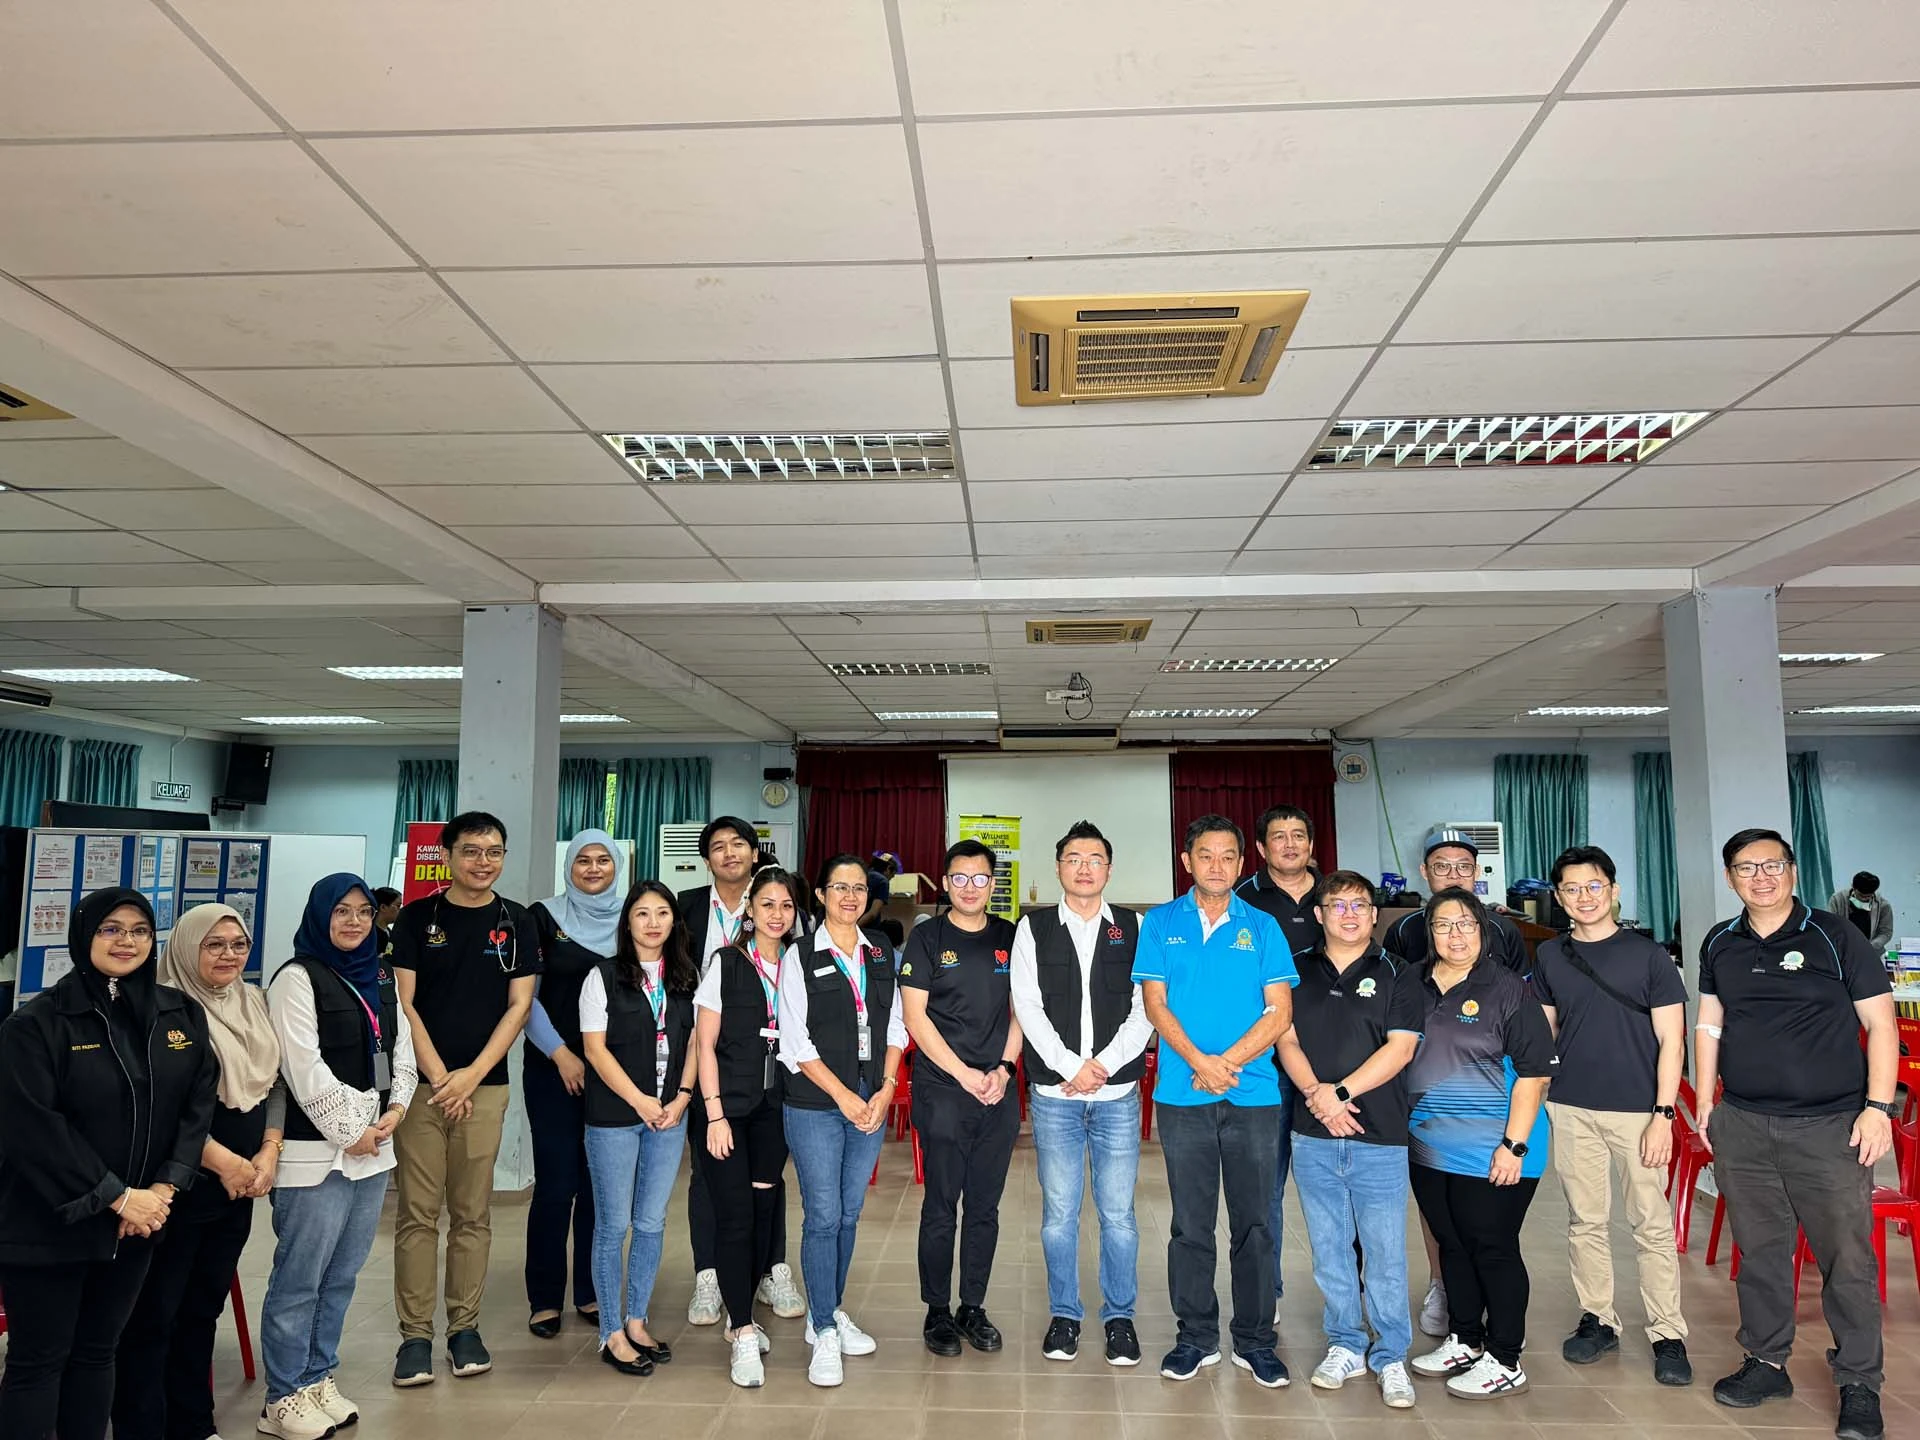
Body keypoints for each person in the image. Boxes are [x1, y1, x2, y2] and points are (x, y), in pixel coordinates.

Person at [1697, 828, 1895, 1440]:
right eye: (1746, 867)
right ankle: (1765, 1361)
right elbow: (1710, 1024)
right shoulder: (1720, 941)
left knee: (1846, 1259)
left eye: (1772, 865)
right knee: (1759, 1253)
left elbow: (1881, 1024)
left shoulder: (1836, 936)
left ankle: (1859, 1381)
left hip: (1830, 1127)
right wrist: (1704, 1101)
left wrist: (1877, 1108)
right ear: (1730, 877)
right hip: (1744, 1123)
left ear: (1793, 870)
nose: (1761, 877)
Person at [0, 888, 218, 1440]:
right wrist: (117, 1197)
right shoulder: (36, 1024)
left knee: (99, 1351)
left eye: (139, 930)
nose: (127, 941)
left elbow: (196, 1107)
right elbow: (35, 1130)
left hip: (138, 1223)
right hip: (49, 1225)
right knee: (39, 1361)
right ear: (84, 936)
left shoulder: (178, 1013)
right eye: (111, 929)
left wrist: (163, 1191)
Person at [1133, 814, 1297, 1388]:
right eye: (1206, 855)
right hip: (1183, 1096)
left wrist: (1225, 1063)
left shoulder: (1263, 927)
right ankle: (1196, 1337)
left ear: (1241, 863)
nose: (1218, 866)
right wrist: (1200, 1063)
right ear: (1187, 861)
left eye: (1228, 856)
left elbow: (1280, 1011)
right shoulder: (1160, 923)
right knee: (1190, 1224)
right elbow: (1156, 1005)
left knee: (1256, 1223)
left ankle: (1255, 1341)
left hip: (1253, 1097)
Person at [114, 904, 287, 1440]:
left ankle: (192, 1421)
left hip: (237, 1187)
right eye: (214, 945)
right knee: (156, 1314)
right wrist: (226, 1162)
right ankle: (146, 1424)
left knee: (202, 1309)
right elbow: (163, 1109)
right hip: (177, 1185)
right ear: (187, 949)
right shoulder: (162, 1010)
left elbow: (275, 1083)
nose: (229, 955)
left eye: (238, 944)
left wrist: (269, 1150)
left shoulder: (253, 1001)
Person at [260, 874, 416, 1440]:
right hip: (314, 1154)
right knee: (300, 1278)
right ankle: (282, 1396)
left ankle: (317, 1376)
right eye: (341, 911)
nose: (354, 921)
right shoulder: (296, 979)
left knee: (342, 1276)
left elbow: (400, 1047)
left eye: (364, 911)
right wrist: (353, 1130)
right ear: (319, 915)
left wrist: (395, 1110)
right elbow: (303, 1069)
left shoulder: (379, 974)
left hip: (372, 1151)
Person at [388, 811, 541, 1385]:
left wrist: (472, 1075)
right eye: (472, 851)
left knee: (472, 1213)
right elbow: (405, 1003)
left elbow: (519, 1006)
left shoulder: (517, 921)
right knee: (417, 1214)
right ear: (448, 855)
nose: (483, 861)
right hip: (421, 1090)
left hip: (486, 1088)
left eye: (494, 851)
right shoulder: (417, 917)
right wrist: (439, 1077)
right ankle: (414, 1336)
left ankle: (464, 1329)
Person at [1530, 845, 1691, 1386]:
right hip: (1571, 1106)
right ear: (1559, 898)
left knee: (1651, 1223)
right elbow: (1547, 1032)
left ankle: (1667, 1332)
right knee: (1586, 1221)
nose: (1584, 897)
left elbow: (1672, 1041)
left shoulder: (1649, 956)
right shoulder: (1550, 956)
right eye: (1572, 889)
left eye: (1594, 886)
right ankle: (1598, 1319)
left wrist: (1664, 1114)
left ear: (1614, 889)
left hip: (1638, 1112)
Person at [1276, 870, 1422, 1410]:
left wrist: (1338, 1093)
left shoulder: (1399, 972)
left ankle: (1391, 1355)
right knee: (1330, 1250)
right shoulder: (1294, 970)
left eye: (1359, 905)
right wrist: (1317, 1097)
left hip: (1379, 1134)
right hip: (1313, 1133)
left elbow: (1401, 1048)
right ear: (1319, 915)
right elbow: (1285, 1039)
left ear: (1374, 913)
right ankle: (1345, 1342)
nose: (1349, 914)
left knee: (1384, 1253)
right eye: (1337, 905)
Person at [1009, 820, 1152, 1367]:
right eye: (1074, 858)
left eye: (1094, 859)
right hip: (1055, 1096)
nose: (1084, 867)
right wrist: (1073, 1067)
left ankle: (1120, 1318)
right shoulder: (1034, 928)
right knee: (1058, 1215)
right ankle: (1064, 1315)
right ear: (1058, 867)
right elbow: (1028, 1006)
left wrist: (1104, 1068)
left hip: (1117, 1097)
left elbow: (1146, 1007)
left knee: (1119, 1216)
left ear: (1109, 869)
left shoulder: (1135, 927)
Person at [1406, 888, 1554, 1401]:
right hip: (1429, 1144)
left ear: (1483, 931)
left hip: (1496, 1146)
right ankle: (1465, 1338)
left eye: (1466, 924)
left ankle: (1506, 1357)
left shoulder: (1509, 989)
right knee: (1451, 1243)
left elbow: (1534, 1075)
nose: (1456, 935)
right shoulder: (1413, 983)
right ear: (1429, 932)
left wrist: (1513, 1146)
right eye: (1443, 925)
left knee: (1492, 1247)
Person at [1385, 826, 1529, 1336]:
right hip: (1426, 1096)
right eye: (1442, 866)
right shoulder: (1405, 931)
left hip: (1488, 1096)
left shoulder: (1505, 932)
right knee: (1440, 1210)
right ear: (1425, 873)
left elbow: (1524, 1021)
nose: (1453, 874)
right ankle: (1442, 1285)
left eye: (1463, 867)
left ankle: (1496, 1329)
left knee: (1486, 1222)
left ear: (1476, 873)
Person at [779, 854, 905, 1388]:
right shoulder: (800, 955)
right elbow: (795, 1039)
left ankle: (825, 1312)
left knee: (850, 1214)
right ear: (821, 895)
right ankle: (825, 1330)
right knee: (824, 1215)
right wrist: (845, 1097)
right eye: (839, 887)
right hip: (817, 1104)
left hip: (870, 1100)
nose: (850, 897)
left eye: (858, 888)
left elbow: (896, 1024)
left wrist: (887, 1088)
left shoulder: (880, 951)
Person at [901, 838, 1023, 1358]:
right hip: (944, 1091)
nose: (970, 887)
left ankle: (973, 1305)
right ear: (946, 882)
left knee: (985, 1207)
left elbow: (1023, 1011)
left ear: (992, 885)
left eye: (980, 878)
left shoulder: (1011, 936)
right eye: (959, 878)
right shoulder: (926, 938)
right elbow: (915, 1017)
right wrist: (965, 1074)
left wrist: (1004, 1069)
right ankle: (937, 1310)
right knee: (941, 1205)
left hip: (997, 1092)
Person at [681, 817, 803, 1325]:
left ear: (755, 853)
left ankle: (770, 1269)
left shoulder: (797, 953)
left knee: (766, 1186)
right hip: (719, 1077)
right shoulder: (693, 916)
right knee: (713, 1183)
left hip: (776, 1089)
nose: (729, 853)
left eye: (739, 845)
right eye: (718, 846)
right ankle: (711, 1277)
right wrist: (706, 1105)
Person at [580, 880, 699, 1377]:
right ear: (627, 921)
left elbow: (697, 1042)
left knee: (651, 1222)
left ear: (674, 921)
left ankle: (636, 1320)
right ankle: (611, 1332)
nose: (653, 923)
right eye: (642, 913)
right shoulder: (602, 976)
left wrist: (682, 1097)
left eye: (662, 913)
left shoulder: (687, 977)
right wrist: (640, 1101)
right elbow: (595, 1050)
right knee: (613, 1225)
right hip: (615, 1117)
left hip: (669, 1117)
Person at [522, 829, 622, 1338]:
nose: (593, 868)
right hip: (553, 1069)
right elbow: (525, 999)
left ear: (617, 865)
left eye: (603, 859)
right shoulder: (542, 917)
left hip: (614, 1074)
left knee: (599, 1187)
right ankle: (544, 1297)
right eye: (583, 860)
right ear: (569, 866)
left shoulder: (633, 917)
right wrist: (562, 1054)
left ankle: (590, 1290)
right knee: (557, 1184)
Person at [1234, 804, 1317, 1321]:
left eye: (1298, 835)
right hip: (1266, 1066)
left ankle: (1352, 1294)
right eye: (1278, 837)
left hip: (1332, 1067)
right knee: (1266, 1188)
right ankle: (1269, 1290)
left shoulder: (1336, 896)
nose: (1290, 844)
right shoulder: (1242, 899)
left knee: (1341, 1187)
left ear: (1311, 845)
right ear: (1262, 849)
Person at [1828, 871, 1894, 954]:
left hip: (1871, 951)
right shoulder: (1837, 900)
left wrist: (1869, 946)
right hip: (1844, 951)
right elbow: (1831, 927)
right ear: (1853, 887)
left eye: (1868, 897)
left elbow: (1886, 933)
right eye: (1861, 895)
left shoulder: (1883, 906)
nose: (1863, 899)